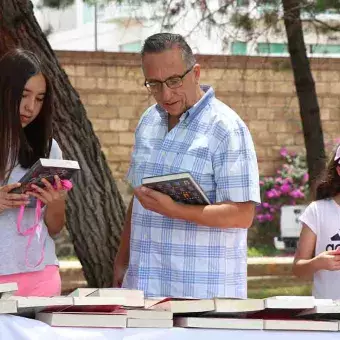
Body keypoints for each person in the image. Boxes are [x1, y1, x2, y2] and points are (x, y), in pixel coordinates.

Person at [113, 33, 260, 299]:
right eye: (154, 84)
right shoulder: (148, 122)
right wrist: (122, 261)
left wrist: (176, 210)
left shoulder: (226, 129)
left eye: (173, 81)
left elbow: (242, 214)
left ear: (196, 73)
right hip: (144, 287)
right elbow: (140, 199)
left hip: (202, 295)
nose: (165, 94)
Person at [0, 49, 67, 296]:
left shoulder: (49, 149)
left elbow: (55, 227)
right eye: (24, 95)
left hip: (42, 276)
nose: (30, 107)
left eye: (39, 99)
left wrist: (56, 203)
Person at [292, 144, 340, 299]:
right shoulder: (317, 211)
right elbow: (298, 269)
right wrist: (317, 263)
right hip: (328, 314)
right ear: (339, 170)